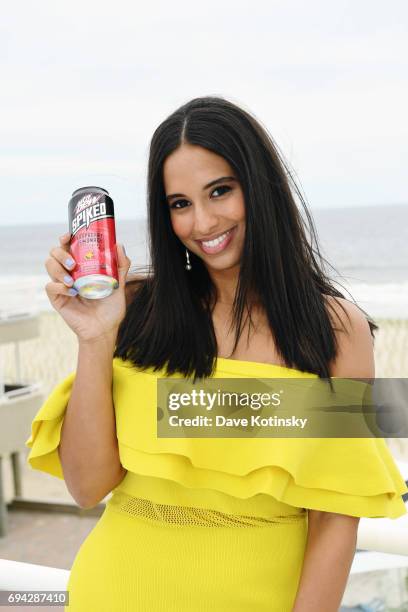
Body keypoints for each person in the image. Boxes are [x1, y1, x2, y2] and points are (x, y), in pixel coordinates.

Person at [26, 96, 408, 612]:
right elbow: (87, 487)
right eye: (179, 203)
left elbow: (335, 516)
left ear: (260, 186)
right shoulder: (137, 309)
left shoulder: (335, 330)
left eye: (220, 191)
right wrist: (95, 338)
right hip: (112, 590)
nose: (202, 222)